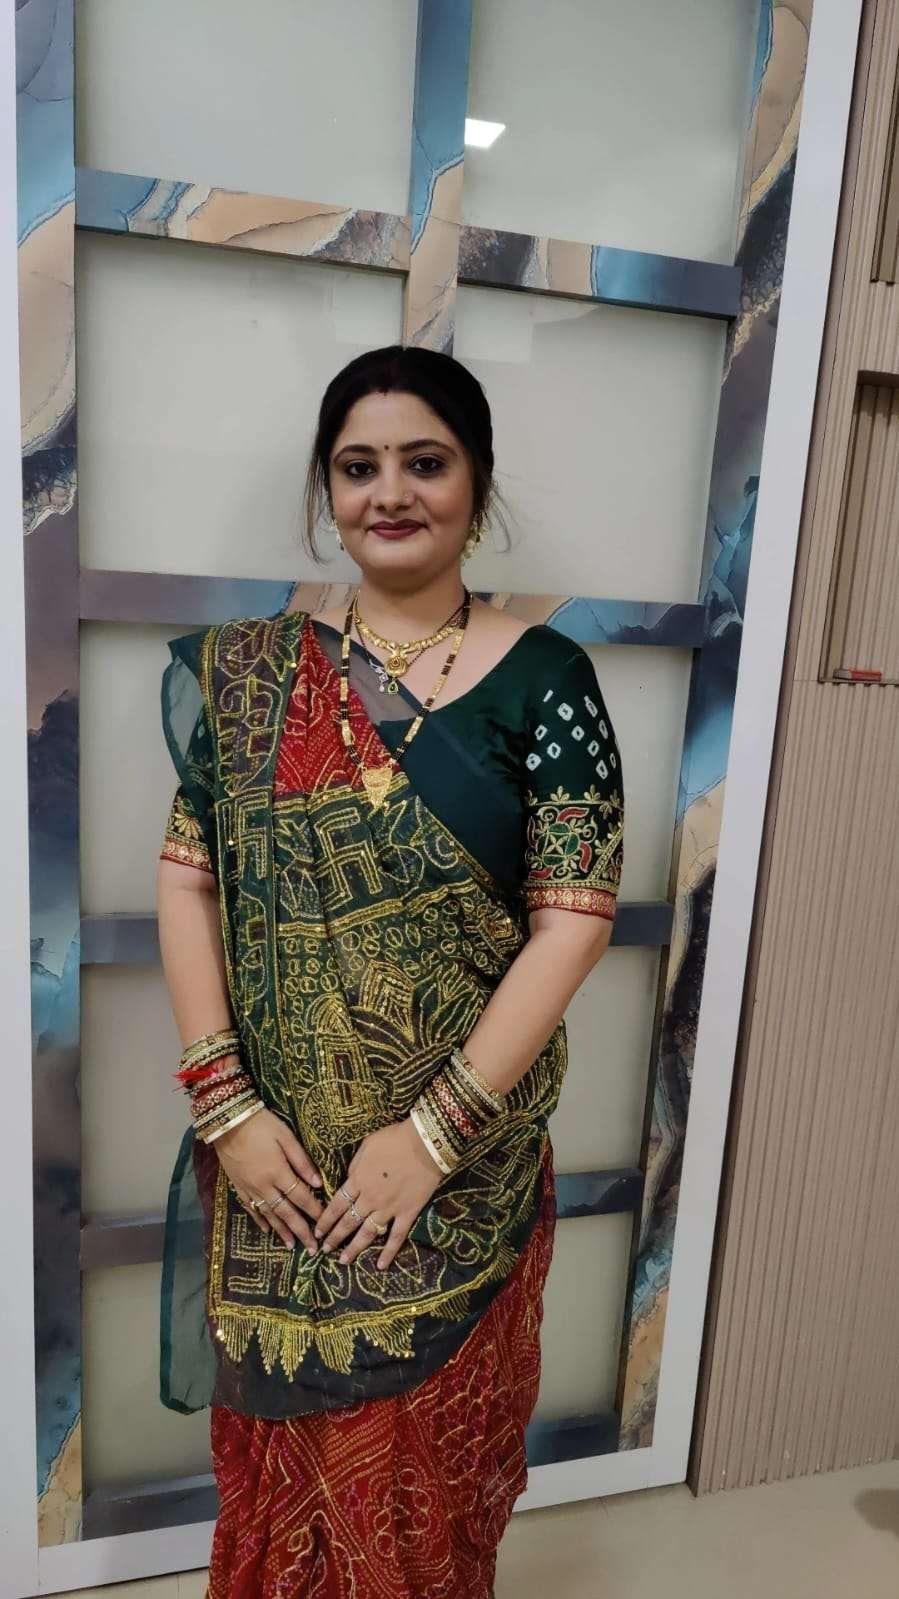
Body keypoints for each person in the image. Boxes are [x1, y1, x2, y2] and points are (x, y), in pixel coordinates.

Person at [156, 343, 624, 1599]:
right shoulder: (253, 675)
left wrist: (430, 1136)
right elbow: (189, 879)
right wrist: (225, 1106)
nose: (390, 492)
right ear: (327, 490)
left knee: (424, 1497)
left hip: (456, 1174)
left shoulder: (546, 680)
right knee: (280, 1495)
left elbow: (573, 920)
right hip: (276, 1165)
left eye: (425, 462)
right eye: (358, 467)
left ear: (476, 481)